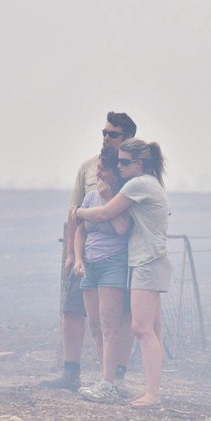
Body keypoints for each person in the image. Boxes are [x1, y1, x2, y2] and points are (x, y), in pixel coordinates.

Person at [42, 112, 137, 392]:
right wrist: (72, 255)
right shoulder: (87, 168)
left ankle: (115, 377)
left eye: (114, 134)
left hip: (120, 255)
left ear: (127, 138)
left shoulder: (136, 173)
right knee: (75, 309)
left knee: (121, 316)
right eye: (104, 133)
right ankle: (72, 373)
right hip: (86, 250)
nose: (107, 138)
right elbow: (75, 214)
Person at [74, 138, 170, 408]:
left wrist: (77, 212)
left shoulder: (139, 184)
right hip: (151, 259)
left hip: (147, 261)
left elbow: (106, 213)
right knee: (153, 330)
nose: (120, 167)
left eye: (124, 162)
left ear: (139, 164)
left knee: (141, 328)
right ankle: (152, 391)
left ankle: (151, 394)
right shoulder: (151, 184)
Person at [73, 149, 135, 403]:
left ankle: (109, 383)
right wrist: (78, 258)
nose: (97, 173)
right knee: (96, 325)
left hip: (112, 264)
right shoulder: (89, 197)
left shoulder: (122, 198)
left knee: (110, 325)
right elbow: (80, 232)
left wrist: (108, 199)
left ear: (113, 173)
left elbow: (122, 228)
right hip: (90, 265)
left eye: (102, 169)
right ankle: (104, 378)